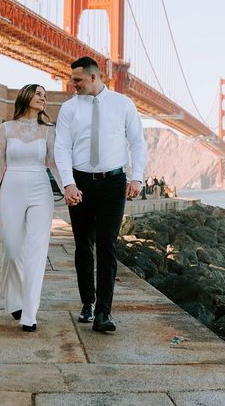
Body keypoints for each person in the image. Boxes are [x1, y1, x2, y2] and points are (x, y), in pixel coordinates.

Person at [54, 57, 146, 333]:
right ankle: (87, 303)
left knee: (107, 246)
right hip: (80, 182)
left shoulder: (123, 104)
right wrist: (68, 184)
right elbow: (61, 147)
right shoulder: (69, 109)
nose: (73, 85)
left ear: (94, 78)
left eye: (77, 80)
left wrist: (137, 177)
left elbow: (138, 142)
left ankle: (103, 314)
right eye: (73, 80)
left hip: (113, 183)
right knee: (83, 246)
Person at [0, 84, 63, 332]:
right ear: (26, 96)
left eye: (45, 96)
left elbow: (53, 163)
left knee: (37, 249)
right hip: (12, 187)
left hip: (40, 187)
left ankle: (29, 313)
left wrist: (68, 188)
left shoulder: (49, 130)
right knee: (13, 248)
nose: (43, 98)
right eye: (39, 93)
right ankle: (14, 300)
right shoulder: (6, 128)